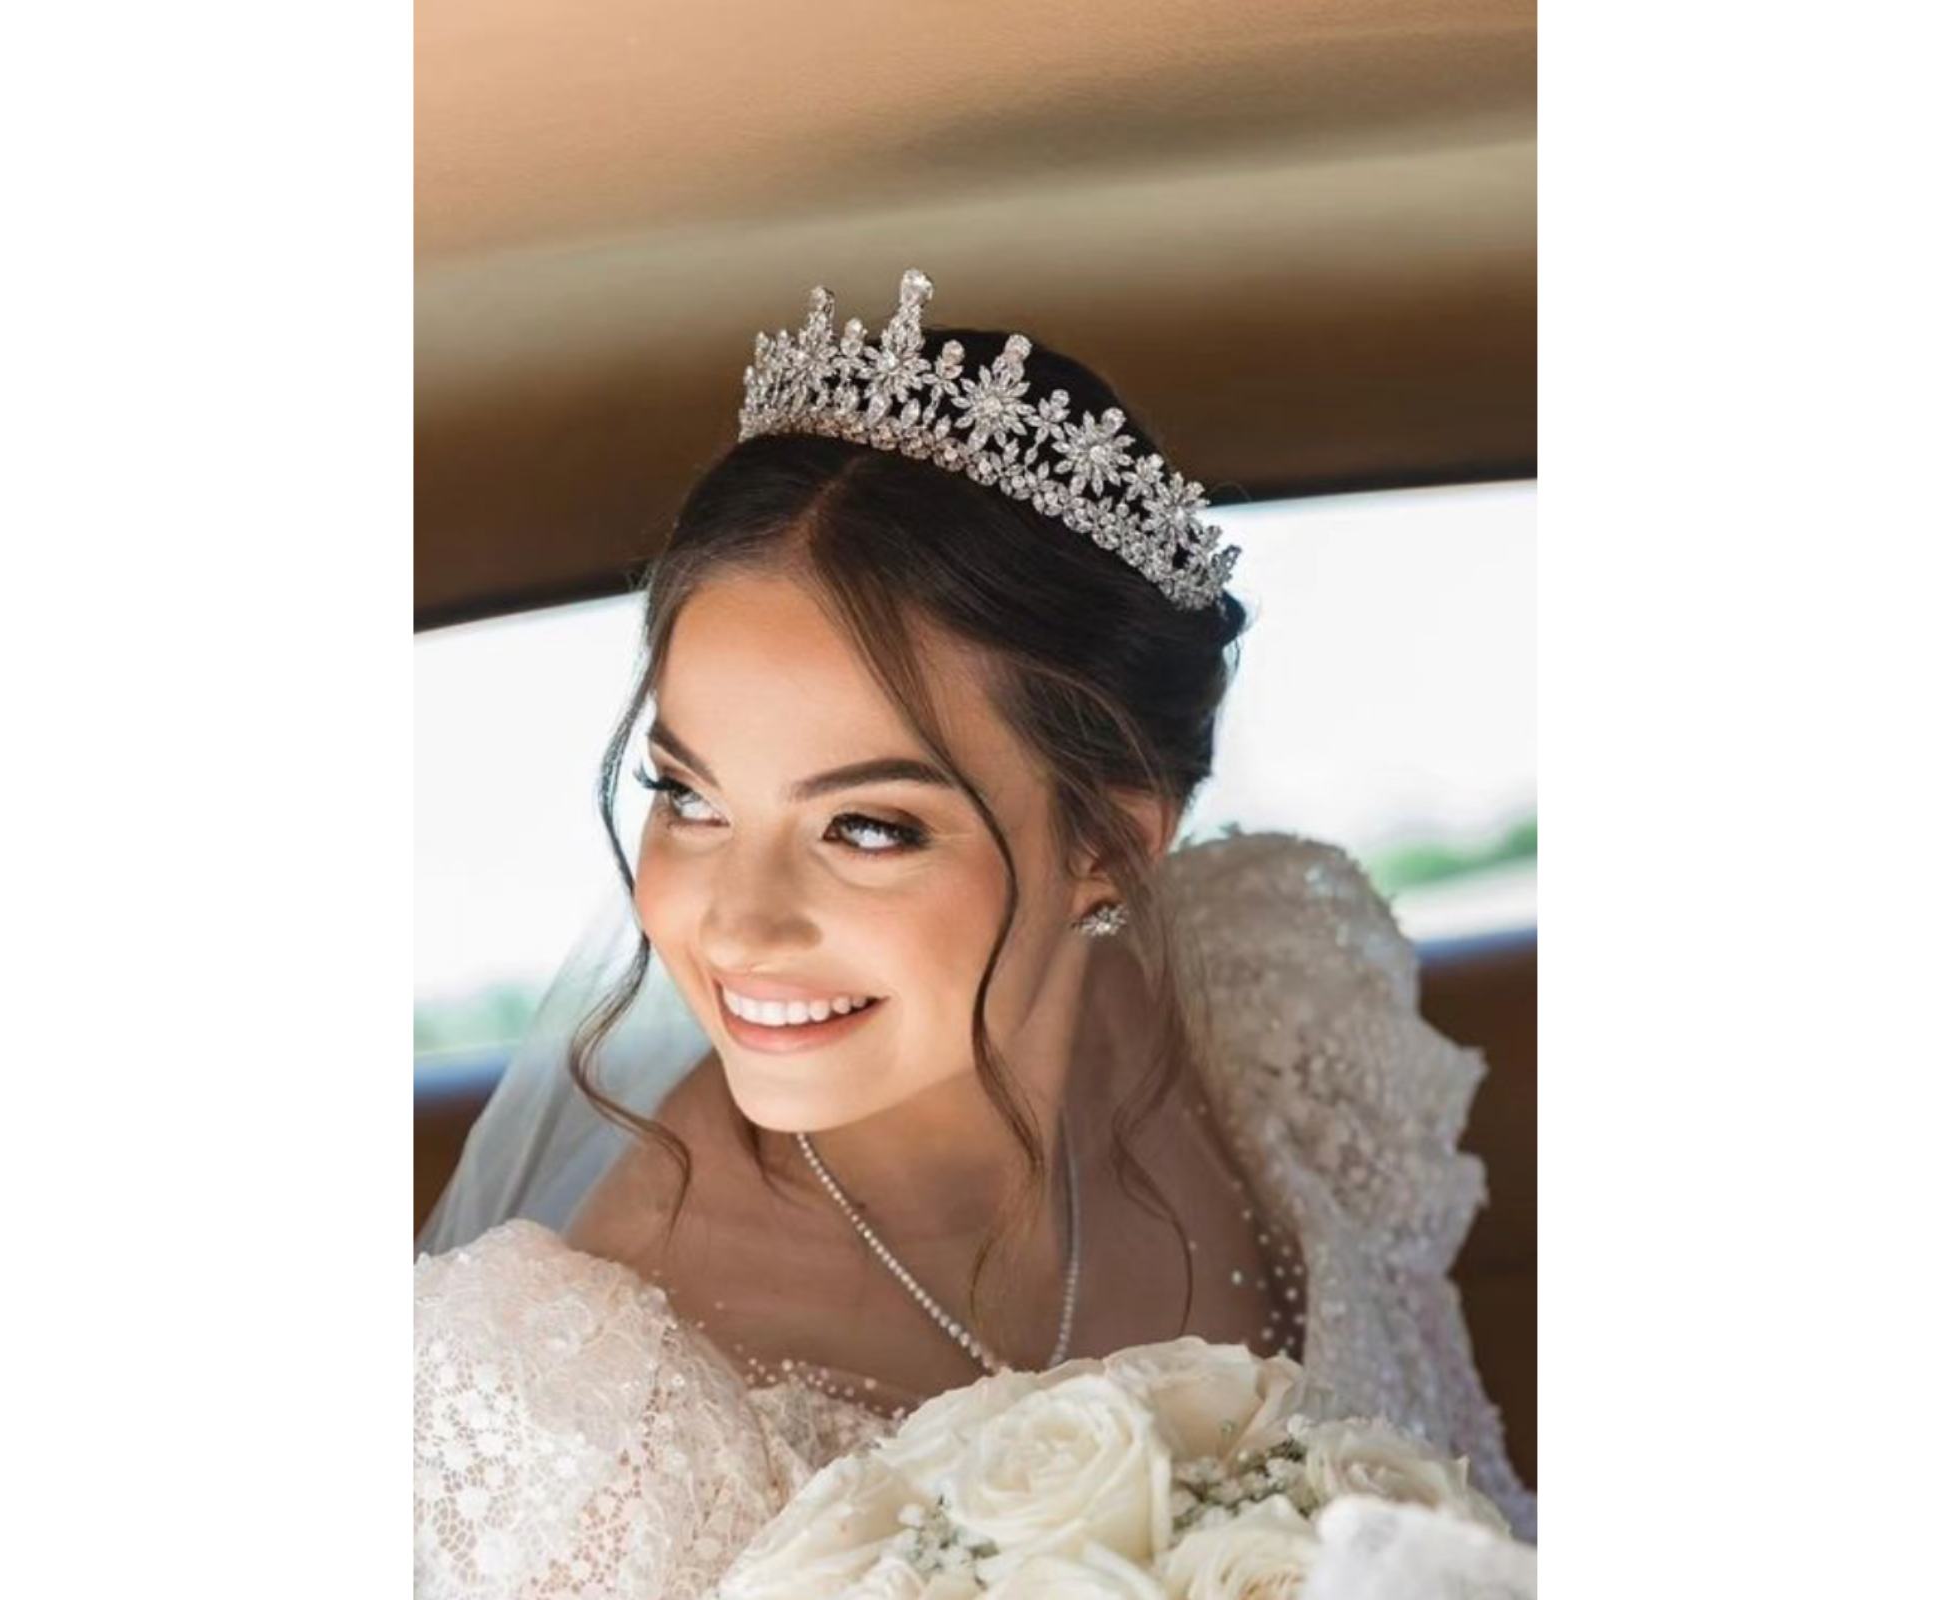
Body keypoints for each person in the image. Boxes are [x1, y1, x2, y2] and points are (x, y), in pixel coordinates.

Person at [414, 268, 1535, 1597]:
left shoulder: (1269, 1023)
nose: (736, 924)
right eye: (688, 796)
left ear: (1109, 844)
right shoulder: (577, 1395)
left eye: (866, 827)